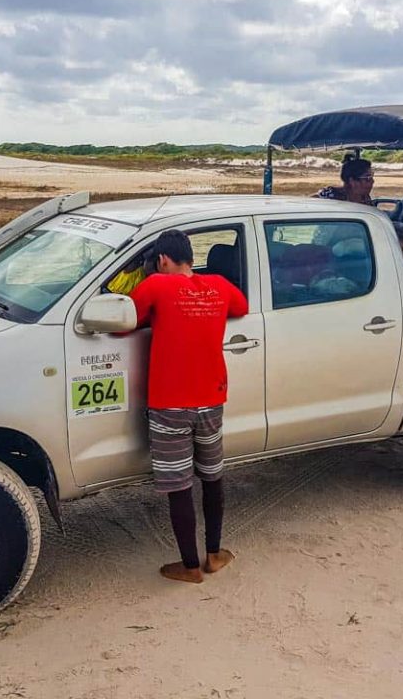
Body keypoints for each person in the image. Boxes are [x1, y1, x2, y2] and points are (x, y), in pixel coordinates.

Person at [127, 230, 248, 583]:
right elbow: (242, 307)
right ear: (190, 258)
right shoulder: (219, 286)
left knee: (179, 484)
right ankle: (214, 554)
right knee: (212, 477)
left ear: (162, 260)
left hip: (170, 404)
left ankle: (190, 566)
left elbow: (125, 324)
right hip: (211, 399)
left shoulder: (155, 286)